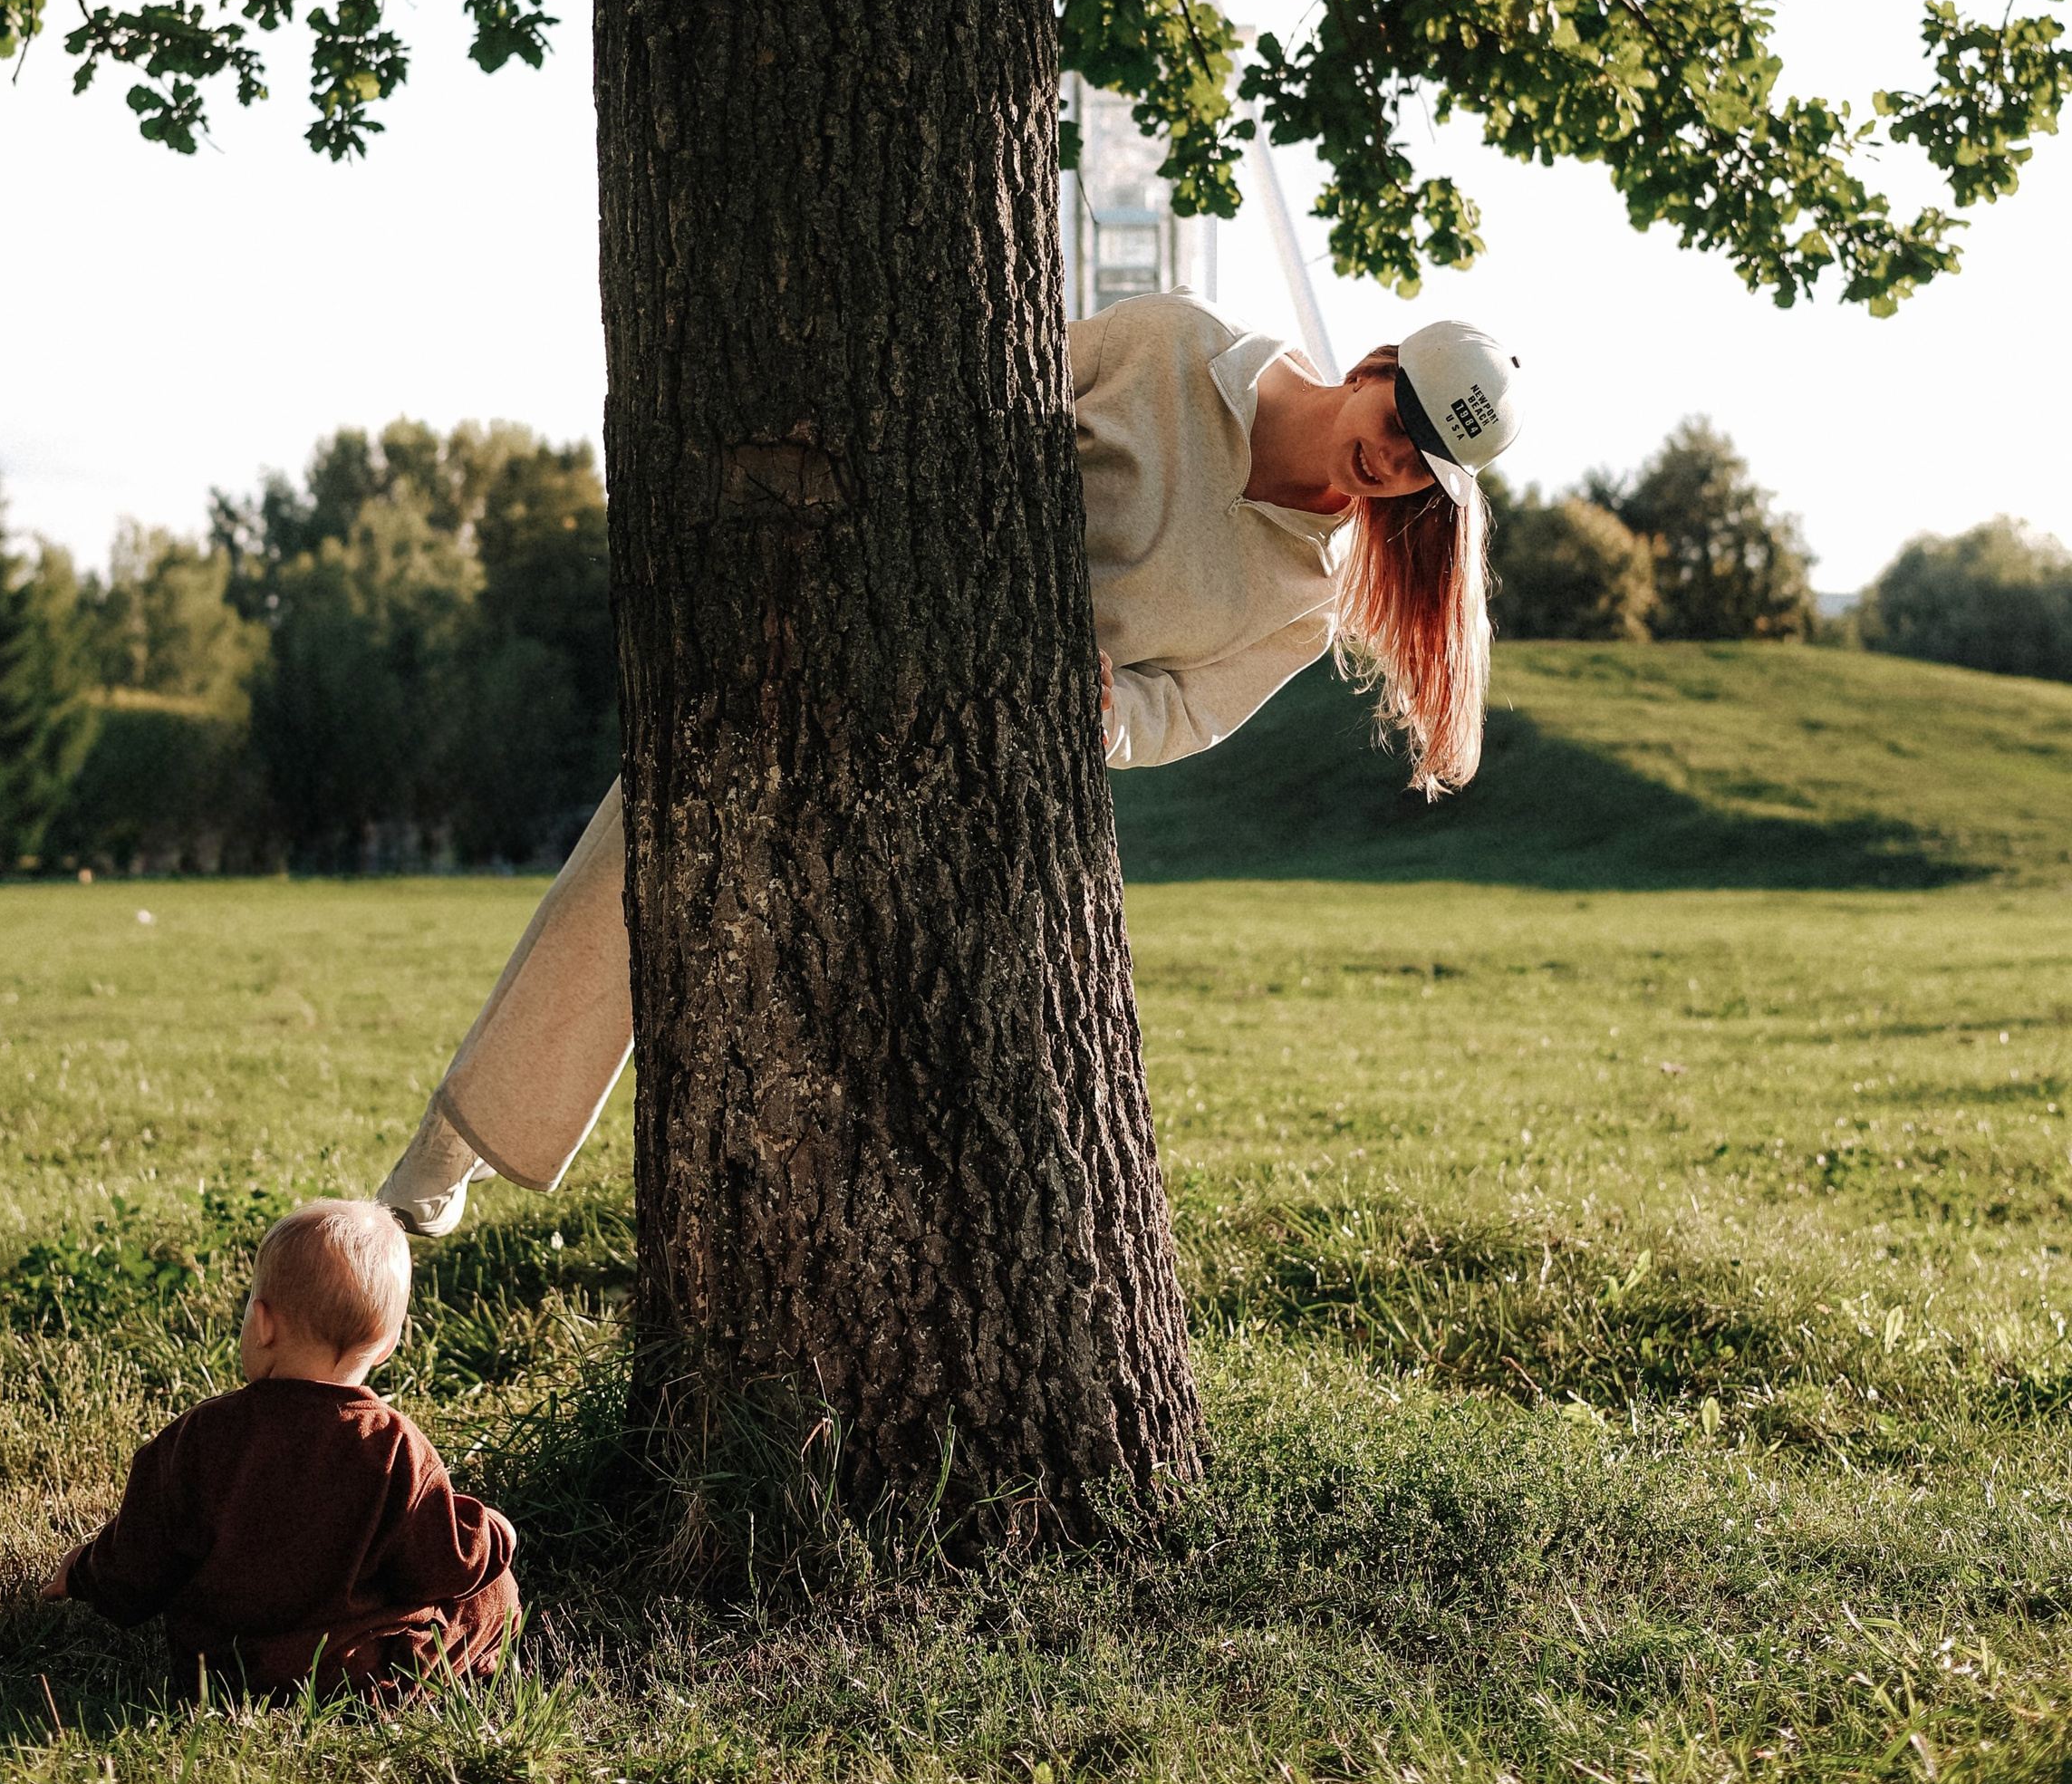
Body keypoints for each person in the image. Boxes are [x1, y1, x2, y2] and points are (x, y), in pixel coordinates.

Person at [376, 302, 1522, 1239]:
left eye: (1424, 466)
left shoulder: (1309, 594)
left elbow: (1192, 712)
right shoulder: (1174, 347)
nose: (1391, 458)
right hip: (867, 633)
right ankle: (460, 1138)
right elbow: (976, 409)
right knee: (647, 852)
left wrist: (1102, 711)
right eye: (1397, 417)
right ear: (1374, 365)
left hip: (999, 763)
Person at [42, 1195, 520, 1701]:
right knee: (496, 1592)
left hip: (220, 1674)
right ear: (386, 1345)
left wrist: (82, 1571)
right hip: (351, 1674)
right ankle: (459, 1674)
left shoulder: (197, 1437)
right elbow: (443, 1566)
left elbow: (136, 1566)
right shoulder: (395, 1446)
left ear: (263, 1322)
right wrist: (494, 1532)